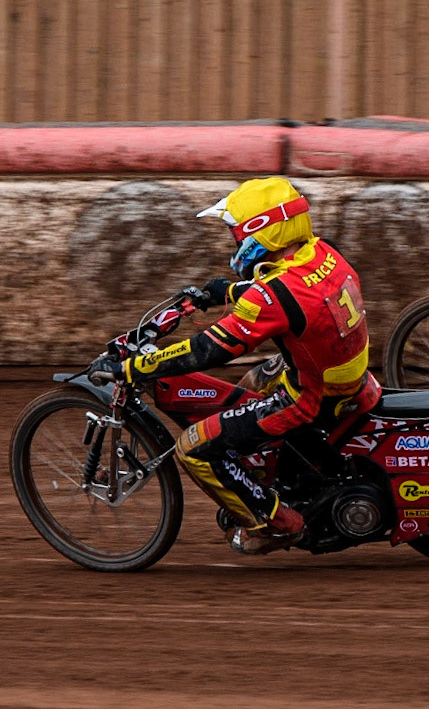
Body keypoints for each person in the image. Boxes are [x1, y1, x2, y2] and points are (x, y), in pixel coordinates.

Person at [88, 177, 380, 555]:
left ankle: (276, 524)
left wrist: (136, 368)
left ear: (261, 232)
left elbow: (211, 350)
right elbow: (288, 290)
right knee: (246, 387)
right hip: (340, 372)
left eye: (235, 233)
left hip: (311, 398)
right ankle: (268, 472)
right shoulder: (323, 253)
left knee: (192, 448)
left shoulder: (272, 294)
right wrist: (224, 292)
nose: (233, 241)